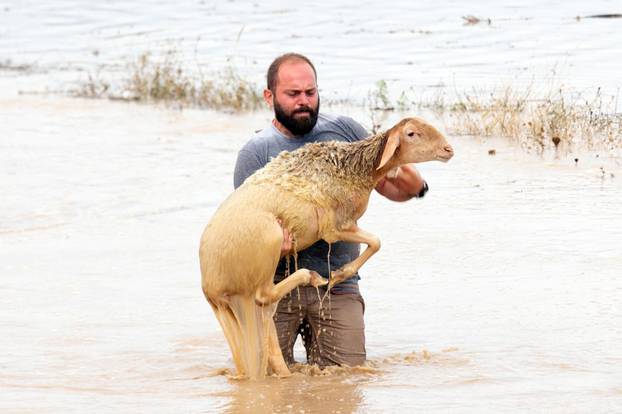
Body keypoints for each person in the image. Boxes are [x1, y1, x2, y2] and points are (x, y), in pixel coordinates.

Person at [233, 53, 428, 368]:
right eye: (293, 94)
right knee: (262, 388)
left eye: (310, 93)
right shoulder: (256, 153)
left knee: (345, 385)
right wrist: (270, 246)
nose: (304, 102)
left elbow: (395, 188)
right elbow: (243, 235)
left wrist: (411, 181)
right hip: (275, 290)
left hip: (338, 284)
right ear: (269, 97)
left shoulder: (345, 131)